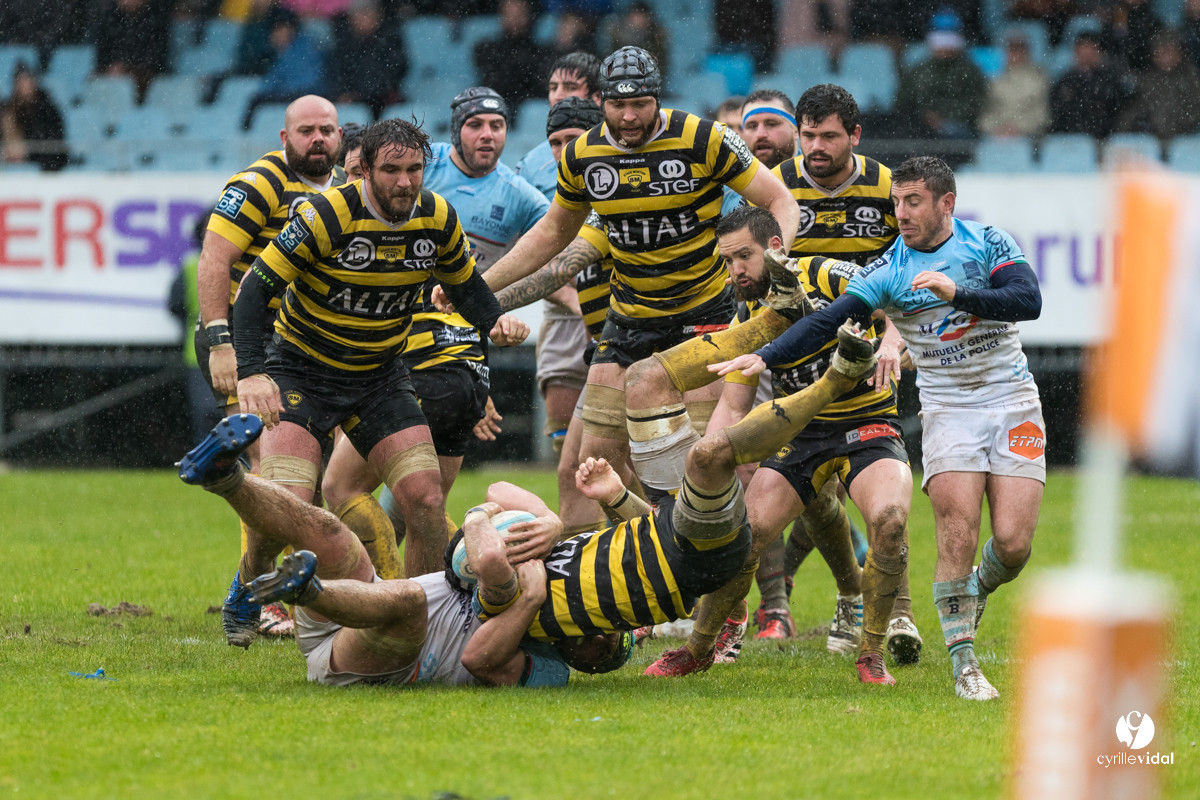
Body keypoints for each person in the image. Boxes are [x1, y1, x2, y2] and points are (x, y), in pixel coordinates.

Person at [715, 156, 1045, 701]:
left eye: (913, 201)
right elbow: (826, 319)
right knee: (957, 532)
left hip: (1012, 400)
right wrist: (766, 358)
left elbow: (1027, 301)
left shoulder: (986, 242)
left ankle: (980, 586)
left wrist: (958, 295)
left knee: (1012, 545)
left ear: (946, 203)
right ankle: (965, 666)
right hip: (948, 407)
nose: (901, 212)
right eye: (896, 201)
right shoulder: (889, 268)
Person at [227, 118, 530, 648]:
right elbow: (255, 289)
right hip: (302, 370)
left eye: (414, 170)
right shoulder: (326, 214)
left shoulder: (437, 218)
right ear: (363, 171)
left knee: (425, 497)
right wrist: (251, 371)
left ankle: (420, 620)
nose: (405, 183)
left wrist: (494, 321)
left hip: (379, 378)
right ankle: (248, 582)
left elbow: (467, 288)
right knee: (288, 508)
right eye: (391, 170)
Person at [474, 46, 801, 505]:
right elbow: (551, 234)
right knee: (594, 466)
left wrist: (776, 264)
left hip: (702, 315)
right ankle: (653, 560)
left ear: (658, 99)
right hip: (628, 320)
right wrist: (477, 286)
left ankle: (717, 566)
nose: (628, 116)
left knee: (705, 461)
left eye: (640, 104)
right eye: (617, 105)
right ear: (602, 102)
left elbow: (782, 201)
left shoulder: (702, 138)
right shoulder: (584, 155)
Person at [634, 206, 912, 686]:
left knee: (888, 522)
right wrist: (708, 463)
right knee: (747, 536)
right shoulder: (750, 313)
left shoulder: (826, 274)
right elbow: (734, 403)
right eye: (727, 261)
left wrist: (890, 343)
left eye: (744, 256)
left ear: (776, 249)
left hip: (868, 423)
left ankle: (872, 655)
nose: (736, 270)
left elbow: (902, 303)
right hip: (802, 435)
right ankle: (698, 649)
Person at [320, 87, 551, 579]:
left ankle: (393, 597)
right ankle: (457, 596)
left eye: (497, 125)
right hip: (460, 364)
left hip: (415, 360)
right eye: (476, 125)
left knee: (345, 490)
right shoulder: (423, 166)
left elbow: (561, 240)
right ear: (454, 132)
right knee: (419, 507)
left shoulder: (497, 197)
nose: (487, 135)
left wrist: (494, 307)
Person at [177, 415, 571, 689]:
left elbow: (479, 661)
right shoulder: (554, 560)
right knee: (331, 531)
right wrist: (551, 521)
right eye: (605, 634)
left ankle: (306, 590)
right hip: (368, 598)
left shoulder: (553, 667)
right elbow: (499, 490)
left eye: (601, 648)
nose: (596, 638)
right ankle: (225, 477)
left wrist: (529, 600)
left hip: (378, 660)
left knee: (410, 598)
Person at [755, 83, 920, 656]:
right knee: (808, 486)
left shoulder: (886, 189)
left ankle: (896, 614)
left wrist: (896, 342)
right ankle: (849, 599)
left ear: (855, 136)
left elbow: (911, 275)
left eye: (829, 136)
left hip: (871, 354)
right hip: (794, 354)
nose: (816, 147)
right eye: (808, 136)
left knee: (875, 485)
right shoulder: (778, 189)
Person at [198, 95, 346, 646]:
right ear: (284, 138)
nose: (318, 140)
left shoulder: (341, 191)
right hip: (251, 347)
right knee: (277, 473)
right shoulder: (259, 183)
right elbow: (215, 259)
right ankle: (266, 594)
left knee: (314, 482)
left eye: (327, 130)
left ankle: (266, 585)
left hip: (311, 351)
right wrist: (221, 344)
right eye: (306, 130)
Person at [513, 54, 603, 478]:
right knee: (565, 443)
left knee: (619, 438)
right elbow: (530, 246)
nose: (557, 97)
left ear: (598, 99)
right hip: (561, 307)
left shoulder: (623, 159)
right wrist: (571, 299)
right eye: (551, 88)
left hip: (619, 305)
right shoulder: (533, 164)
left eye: (568, 89)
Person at [895, 10, 988, 139]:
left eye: (949, 40)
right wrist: (925, 116)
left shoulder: (970, 71)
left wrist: (942, 116)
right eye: (940, 40)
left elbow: (976, 104)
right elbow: (903, 103)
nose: (944, 46)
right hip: (922, 129)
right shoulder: (919, 71)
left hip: (960, 128)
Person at [1048, 32, 1135, 139]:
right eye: (1082, 49)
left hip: (1105, 138)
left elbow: (1120, 107)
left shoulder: (1111, 78)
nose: (1086, 55)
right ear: (1075, 52)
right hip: (1072, 139)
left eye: (1091, 49)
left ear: (1099, 52)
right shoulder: (1065, 81)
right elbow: (1058, 113)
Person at [978, 32, 1050, 138]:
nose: (1016, 54)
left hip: (1029, 136)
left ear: (1027, 52)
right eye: (1012, 49)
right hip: (996, 135)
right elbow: (985, 113)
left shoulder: (1040, 79)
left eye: (1020, 49)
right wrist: (997, 128)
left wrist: (1019, 128)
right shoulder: (994, 80)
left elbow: (1042, 115)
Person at [0, 62, 65, 171]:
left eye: (27, 79)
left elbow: (53, 141)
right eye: (20, 80)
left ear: (34, 81)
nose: (24, 84)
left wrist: (27, 151)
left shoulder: (47, 109)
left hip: (42, 165)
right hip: (10, 166)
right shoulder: (8, 108)